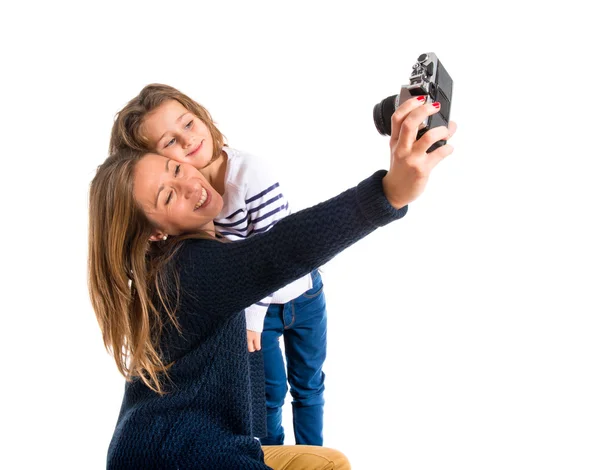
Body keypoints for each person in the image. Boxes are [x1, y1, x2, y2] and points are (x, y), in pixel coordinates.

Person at [88, 96, 456, 469]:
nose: (189, 184)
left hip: (171, 445)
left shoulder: (177, 262)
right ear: (154, 233)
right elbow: (279, 251)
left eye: (176, 169)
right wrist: (389, 192)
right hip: (181, 457)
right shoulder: (189, 270)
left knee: (327, 462)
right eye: (167, 195)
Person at [109, 84, 330, 446]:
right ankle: (273, 458)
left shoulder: (247, 175)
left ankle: (312, 452)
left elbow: (276, 256)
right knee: (268, 396)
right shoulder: (188, 208)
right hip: (261, 313)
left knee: (308, 386)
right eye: (170, 143)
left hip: (299, 297)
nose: (188, 141)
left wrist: (253, 320)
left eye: (189, 125)